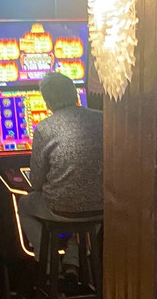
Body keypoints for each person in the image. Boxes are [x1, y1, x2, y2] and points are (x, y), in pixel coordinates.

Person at [18, 71, 103, 277]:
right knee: (88, 214)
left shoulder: (44, 127)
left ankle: (50, 265)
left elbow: (36, 182)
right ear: (75, 94)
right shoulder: (102, 118)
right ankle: (72, 262)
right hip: (101, 207)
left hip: (61, 207)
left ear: (47, 102)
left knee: (24, 205)